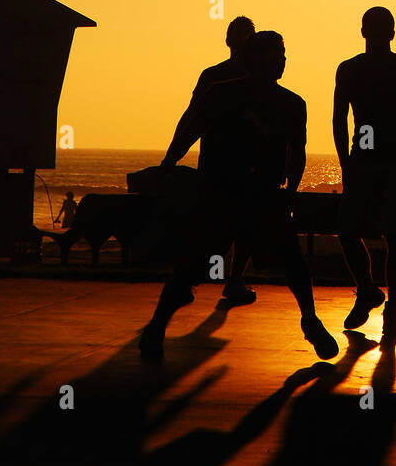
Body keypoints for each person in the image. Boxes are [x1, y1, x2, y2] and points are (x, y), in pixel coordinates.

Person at [139, 30, 338, 361]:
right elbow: (189, 130)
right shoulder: (220, 94)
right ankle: (157, 325)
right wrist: (168, 163)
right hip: (220, 193)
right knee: (191, 265)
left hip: (263, 195)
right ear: (255, 58)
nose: (282, 59)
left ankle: (310, 319)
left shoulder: (292, 104)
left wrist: (291, 191)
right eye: (276, 53)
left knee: (294, 262)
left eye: (283, 53)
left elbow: (298, 152)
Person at [333, 7, 396, 343]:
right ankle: (382, 301)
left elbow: (339, 120)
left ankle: (378, 298)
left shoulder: (353, 69)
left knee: (355, 231)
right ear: (393, 32)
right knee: (390, 236)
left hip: (379, 159)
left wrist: (346, 163)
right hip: (394, 159)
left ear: (363, 31)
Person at [167, 15, 256, 304]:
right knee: (208, 226)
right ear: (229, 41)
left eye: (247, 35)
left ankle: (233, 279)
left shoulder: (257, 78)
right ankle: (193, 280)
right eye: (238, 35)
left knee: (241, 226)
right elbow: (193, 118)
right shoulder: (214, 77)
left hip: (246, 165)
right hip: (218, 163)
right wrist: (171, 155)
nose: (242, 41)